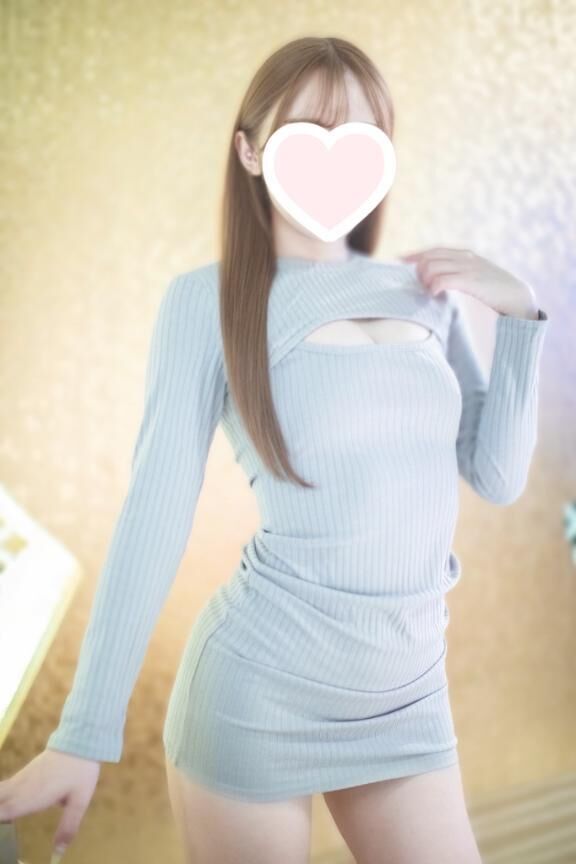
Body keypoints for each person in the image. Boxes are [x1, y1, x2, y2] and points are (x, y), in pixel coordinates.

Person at [0, 35, 549, 864]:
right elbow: (154, 517)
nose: (335, 156)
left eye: (361, 137)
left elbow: (498, 476)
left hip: (407, 696)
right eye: (308, 132)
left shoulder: (425, 294)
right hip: (260, 694)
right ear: (251, 152)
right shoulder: (208, 303)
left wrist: (520, 314)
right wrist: (84, 733)